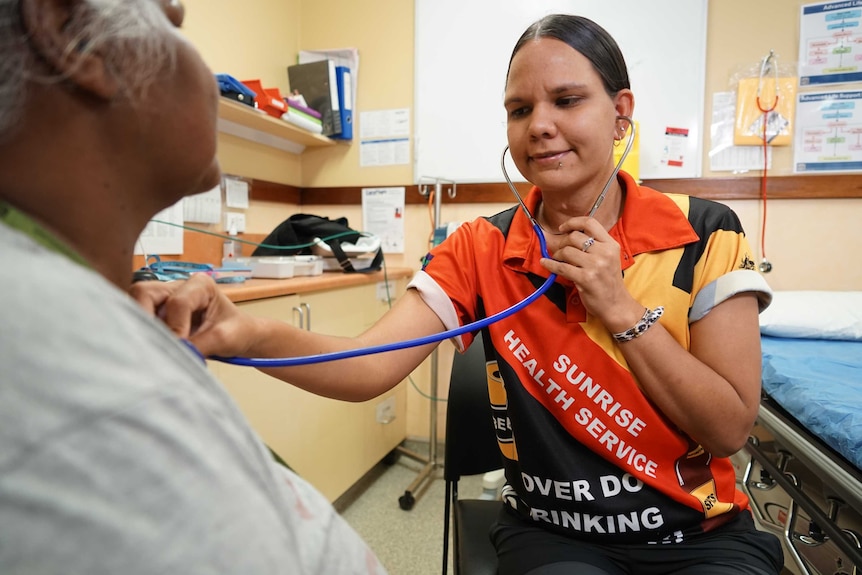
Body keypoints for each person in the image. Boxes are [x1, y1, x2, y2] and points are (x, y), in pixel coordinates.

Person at [132, 14, 784, 575]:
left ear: (621, 114)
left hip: (698, 536)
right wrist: (246, 331)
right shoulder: (478, 247)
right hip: (557, 536)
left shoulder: (704, 232)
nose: (540, 126)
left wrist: (620, 310)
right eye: (520, 109)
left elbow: (727, 427)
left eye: (566, 100)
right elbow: (368, 366)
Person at [0, 0, 385, 573]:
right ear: (69, 35)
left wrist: (239, 331)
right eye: (175, 24)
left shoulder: (62, 311)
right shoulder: (77, 384)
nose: (205, 73)